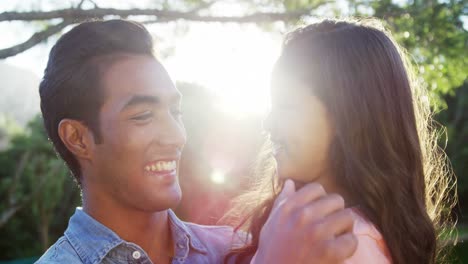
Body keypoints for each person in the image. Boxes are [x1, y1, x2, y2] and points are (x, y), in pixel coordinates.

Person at [36, 19, 358, 264]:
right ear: (78, 139)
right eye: (143, 116)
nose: (177, 136)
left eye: (175, 112)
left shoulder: (239, 250)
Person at [225, 18, 455, 264]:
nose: (268, 124)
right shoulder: (316, 233)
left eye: (287, 106)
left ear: (348, 116)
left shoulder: (342, 246)